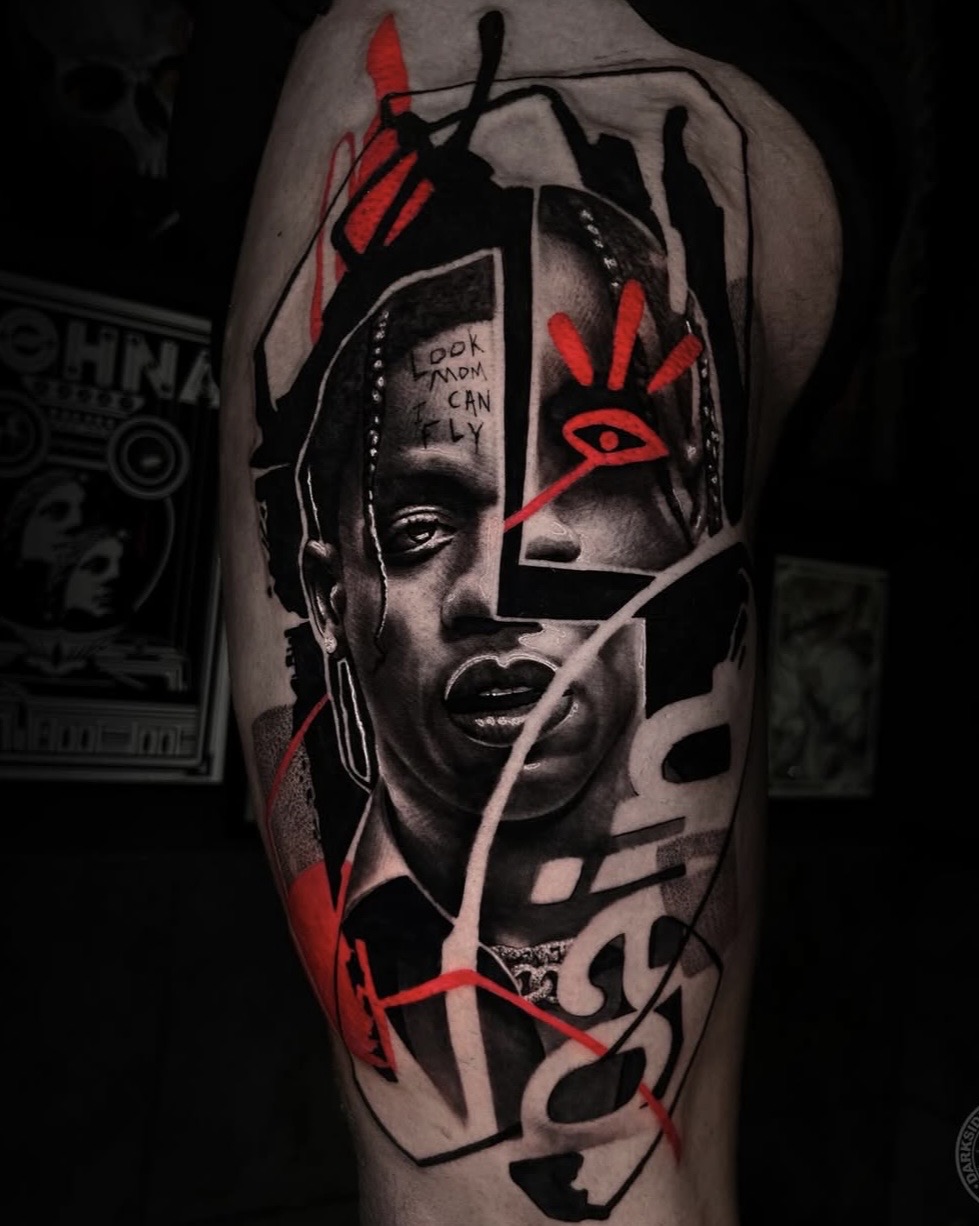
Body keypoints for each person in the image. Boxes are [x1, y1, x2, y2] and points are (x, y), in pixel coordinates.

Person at [217, 1, 858, 1222]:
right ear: (329, 593)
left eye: (589, 458)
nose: (493, 585)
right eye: (419, 526)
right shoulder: (352, 882)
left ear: (684, 501)